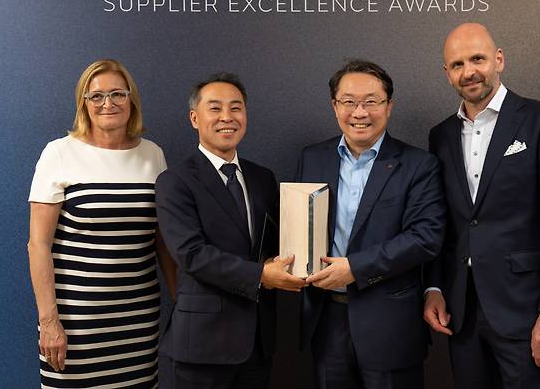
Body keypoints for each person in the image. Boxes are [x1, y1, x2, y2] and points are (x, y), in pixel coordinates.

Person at [424, 23, 540, 389]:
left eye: (477, 59)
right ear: (447, 73)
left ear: (499, 59)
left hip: (526, 313)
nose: (470, 71)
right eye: (458, 64)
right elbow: (444, 222)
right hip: (462, 314)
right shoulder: (441, 135)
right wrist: (433, 288)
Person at [28, 59, 177, 388]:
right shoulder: (58, 153)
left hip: (137, 319)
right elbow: (38, 245)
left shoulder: (153, 155)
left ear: (131, 100)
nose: (107, 103)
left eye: (117, 94)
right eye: (96, 96)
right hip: (75, 323)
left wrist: (180, 300)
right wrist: (49, 321)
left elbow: (162, 241)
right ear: (84, 104)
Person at [297, 60, 446, 389]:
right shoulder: (313, 158)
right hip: (327, 321)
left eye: (371, 101)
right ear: (335, 106)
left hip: (390, 325)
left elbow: (426, 237)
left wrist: (354, 268)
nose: (359, 112)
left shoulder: (419, 165)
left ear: (389, 106)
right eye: (348, 101)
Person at [155, 73, 307, 389]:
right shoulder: (175, 181)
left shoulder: (262, 177)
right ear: (195, 118)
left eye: (236, 108)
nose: (227, 117)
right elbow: (191, 255)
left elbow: (275, 242)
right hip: (203, 346)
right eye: (215, 108)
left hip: (258, 342)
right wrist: (261, 275)